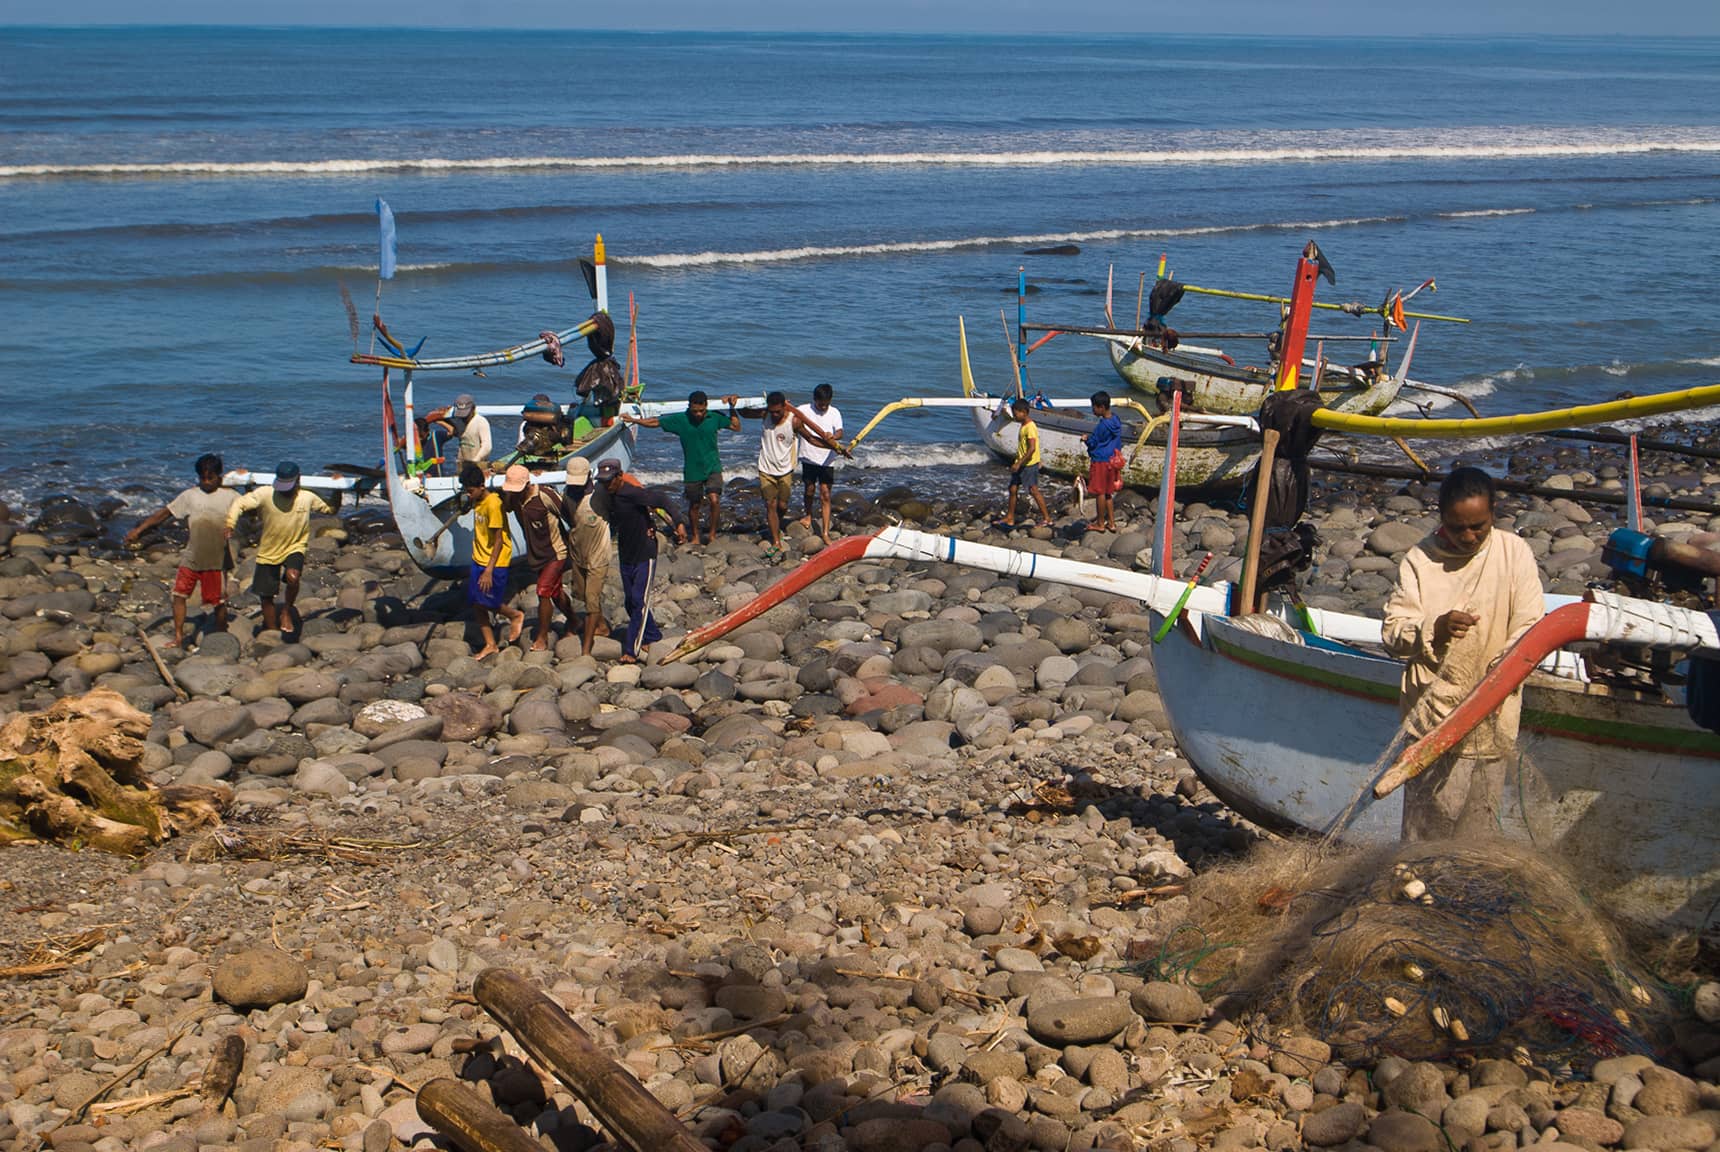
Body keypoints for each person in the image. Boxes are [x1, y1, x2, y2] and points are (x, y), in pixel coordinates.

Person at [1382, 467, 1544, 841]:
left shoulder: (1514, 552)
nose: (1469, 537)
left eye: (1479, 527)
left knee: (1477, 839)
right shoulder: (1419, 561)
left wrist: (1499, 680)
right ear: (1442, 518)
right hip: (1432, 721)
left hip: (1494, 721)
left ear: (1494, 515)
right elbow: (1392, 633)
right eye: (1458, 529)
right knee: (1423, 842)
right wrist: (1434, 629)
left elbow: (1530, 625)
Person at [124, 453, 238, 648]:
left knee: (217, 601)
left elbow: (254, 509)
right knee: (179, 596)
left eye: (210, 478)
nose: (206, 482)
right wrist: (140, 529)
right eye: (202, 478)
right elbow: (164, 513)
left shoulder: (232, 497)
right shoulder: (190, 495)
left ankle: (220, 636)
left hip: (216, 558)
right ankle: (178, 637)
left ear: (219, 476)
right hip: (192, 555)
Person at [224, 461, 341, 637]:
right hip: (269, 549)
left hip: (295, 546)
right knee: (266, 595)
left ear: (298, 481)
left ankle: (286, 610)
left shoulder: (306, 497)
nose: (284, 491)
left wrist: (337, 488)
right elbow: (240, 503)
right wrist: (230, 524)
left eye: (288, 487)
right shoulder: (265, 494)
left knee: (293, 577)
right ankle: (271, 631)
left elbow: (330, 510)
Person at [730, 391, 849, 559]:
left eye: (778, 411)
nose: (775, 415)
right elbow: (745, 413)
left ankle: (775, 524)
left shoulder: (794, 420)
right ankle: (776, 541)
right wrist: (734, 402)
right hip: (765, 468)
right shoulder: (765, 415)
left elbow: (811, 439)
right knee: (770, 504)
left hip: (786, 469)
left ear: (784, 407)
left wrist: (836, 448)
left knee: (783, 506)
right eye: (772, 411)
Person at [596, 457, 688, 664]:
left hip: (644, 553)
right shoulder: (606, 494)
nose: (606, 484)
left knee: (640, 601)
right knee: (630, 601)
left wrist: (679, 523)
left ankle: (632, 649)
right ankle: (653, 635)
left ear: (619, 477)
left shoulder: (631, 493)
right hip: (626, 553)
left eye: (609, 480)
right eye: (602, 481)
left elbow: (662, 499)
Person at [621, 391, 738, 545]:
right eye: (694, 411)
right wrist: (634, 420)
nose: (698, 414)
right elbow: (656, 422)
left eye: (701, 411)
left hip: (713, 466)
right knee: (694, 504)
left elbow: (736, 426)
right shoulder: (681, 420)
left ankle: (712, 534)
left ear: (706, 407)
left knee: (714, 500)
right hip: (692, 470)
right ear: (689, 407)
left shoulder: (713, 418)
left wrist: (732, 407)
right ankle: (695, 535)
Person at [501, 463, 576, 651]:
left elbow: (570, 515)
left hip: (556, 552)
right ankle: (575, 621)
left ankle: (542, 637)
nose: (515, 493)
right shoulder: (515, 499)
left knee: (543, 591)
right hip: (536, 553)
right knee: (555, 593)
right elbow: (506, 506)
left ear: (527, 485)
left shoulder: (545, 496)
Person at [463, 462, 524, 659]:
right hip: (478, 557)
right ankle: (490, 644)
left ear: (482, 486)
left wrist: (489, 569)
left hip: (495, 561)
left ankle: (515, 615)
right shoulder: (476, 501)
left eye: (471, 491)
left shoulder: (493, 504)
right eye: (466, 491)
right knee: (476, 602)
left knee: (489, 600)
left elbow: (498, 539)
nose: (468, 494)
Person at [561, 457, 612, 657]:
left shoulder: (600, 496)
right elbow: (568, 518)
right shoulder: (568, 496)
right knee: (582, 595)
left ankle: (586, 648)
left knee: (591, 600)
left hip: (598, 556)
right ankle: (601, 625)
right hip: (578, 553)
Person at [796, 384, 845, 539]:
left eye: (826, 403)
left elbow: (840, 432)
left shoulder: (834, 412)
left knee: (825, 494)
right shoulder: (803, 410)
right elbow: (789, 417)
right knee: (809, 489)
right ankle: (808, 515)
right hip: (809, 457)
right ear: (814, 399)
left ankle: (825, 531)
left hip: (827, 460)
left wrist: (833, 437)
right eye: (820, 403)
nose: (823, 406)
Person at [1001, 397, 1051, 528]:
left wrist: (1019, 463)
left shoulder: (1030, 427)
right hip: (1021, 463)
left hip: (1028, 465)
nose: (1014, 416)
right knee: (1012, 489)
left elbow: (1032, 448)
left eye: (1016, 413)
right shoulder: (1023, 425)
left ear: (1024, 412)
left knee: (1033, 490)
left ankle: (1047, 518)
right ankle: (1010, 517)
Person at [1083, 391, 1124, 532]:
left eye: (1094, 407)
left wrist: (1086, 439)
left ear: (1101, 407)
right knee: (1108, 493)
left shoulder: (1103, 425)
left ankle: (1100, 523)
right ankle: (1111, 523)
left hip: (1100, 460)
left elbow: (1094, 443)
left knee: (1099, 492)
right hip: (1112, 461)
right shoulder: (1116, 420)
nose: (1092, 410)